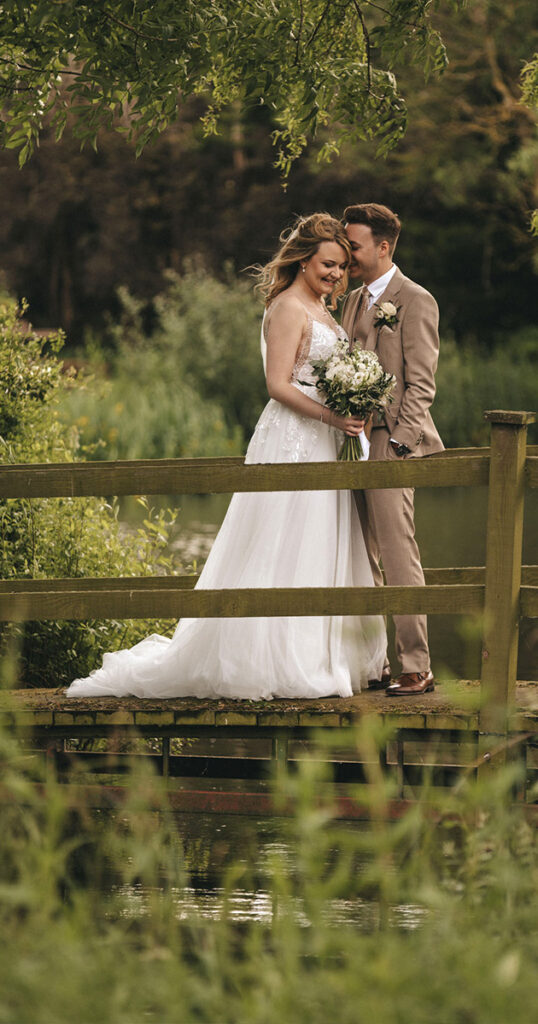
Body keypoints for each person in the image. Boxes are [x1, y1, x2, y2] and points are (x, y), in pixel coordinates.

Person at [66, 213, 387, 700]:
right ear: (303, 261)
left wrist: (352, 403)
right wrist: (331, 416)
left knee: (321, 538)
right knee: (282, 540)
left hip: (327, 439)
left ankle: (325, 652)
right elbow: (277, 385)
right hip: (295, 437)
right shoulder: (287, 308)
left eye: (342, 266)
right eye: (327, 264)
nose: (336, 275)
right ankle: (275, 658)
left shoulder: (324, 309)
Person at [342, 203, 444, 696]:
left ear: (384, 247)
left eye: (354, 246)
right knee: (360, 554)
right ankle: (374, 660)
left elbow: (422, 385)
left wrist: (400, 442)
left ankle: (417, 667)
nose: (347, 255)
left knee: (398, 553)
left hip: (390, 443)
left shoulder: (416, 300)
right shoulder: (351, 299)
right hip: (349, 442)